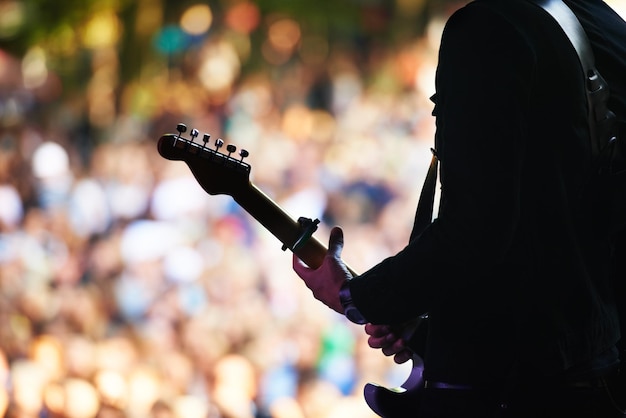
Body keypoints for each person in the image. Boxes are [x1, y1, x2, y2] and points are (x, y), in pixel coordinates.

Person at [292, 0, 626, 416]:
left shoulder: (487, 29)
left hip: (519, 392)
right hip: (594, 370)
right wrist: (433, 327)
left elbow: (478, 231)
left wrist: (355, 295)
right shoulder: (597, 21)